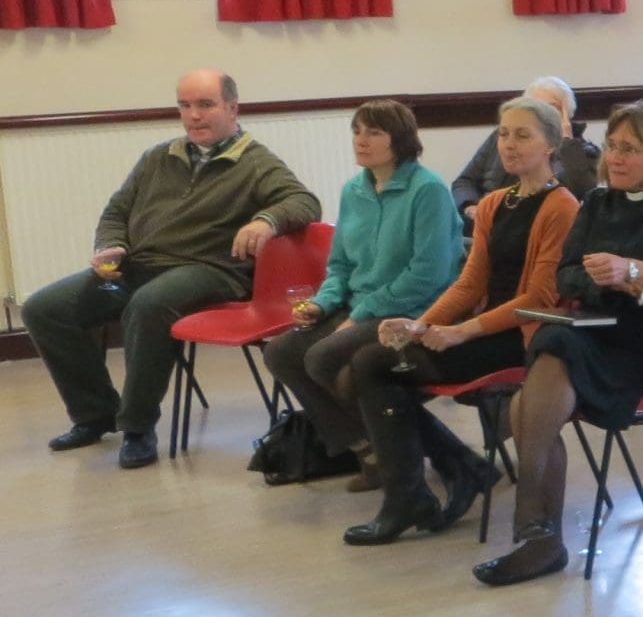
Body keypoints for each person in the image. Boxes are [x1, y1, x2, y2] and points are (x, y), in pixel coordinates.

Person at [24, 68, 322, 469]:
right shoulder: (158, 157)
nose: (194, 116)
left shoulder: (256, 162)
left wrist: (265, 220)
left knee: (149, 305)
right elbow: (116, 211)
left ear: (232, 108)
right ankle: (95, 414)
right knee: (44, 309)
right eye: (185, 106)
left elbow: (304, 202)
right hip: (138, 266)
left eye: (205, 105)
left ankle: (137, 426)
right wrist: (111, 245)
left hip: (209, 270)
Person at [472, 102, 643, 588]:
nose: (616, 158)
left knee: (535, 383)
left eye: (630, 149)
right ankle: (539, 535)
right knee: (552, 345)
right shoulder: (597, 204)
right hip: (594, 330)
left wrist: (633, 272)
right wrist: (604, 280)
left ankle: (538, 531)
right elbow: (566, 275)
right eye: (612, 146)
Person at [341, 95, 582, 546]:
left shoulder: (562, 206)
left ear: (551, 145)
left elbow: (538, 298)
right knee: (370, 365)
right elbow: (469, 285)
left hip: (523, 336)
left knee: (372, 365)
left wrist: (458, 332)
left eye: (522, 135)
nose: (508, 144)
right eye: (503, 134)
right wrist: (420, 325)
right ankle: (433, 482)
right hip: (483, 326)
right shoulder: (494, 203)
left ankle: (420, 490)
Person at [263, 100, 461, 489]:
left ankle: (402, 450)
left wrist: (360, 314)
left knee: (322, 357)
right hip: (361, 308)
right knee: (281, 352)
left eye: (374, 133)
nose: (361, 141)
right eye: (356, 131)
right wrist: (321, 303)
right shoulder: (353, 190)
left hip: (413, 311)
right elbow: (340, 266)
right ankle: (368, 448)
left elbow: (427, 275)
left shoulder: (429, 190)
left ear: (400, 140)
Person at [451, 76, 596, 210]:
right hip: (485, 214)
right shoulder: (502, 138)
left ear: (567, 114)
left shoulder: (584, 152)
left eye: (550, 109)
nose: (540, 116)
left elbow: (581, 191)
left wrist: (566, 141)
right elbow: (464, 182)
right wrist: (470, 207)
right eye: (533, 109)